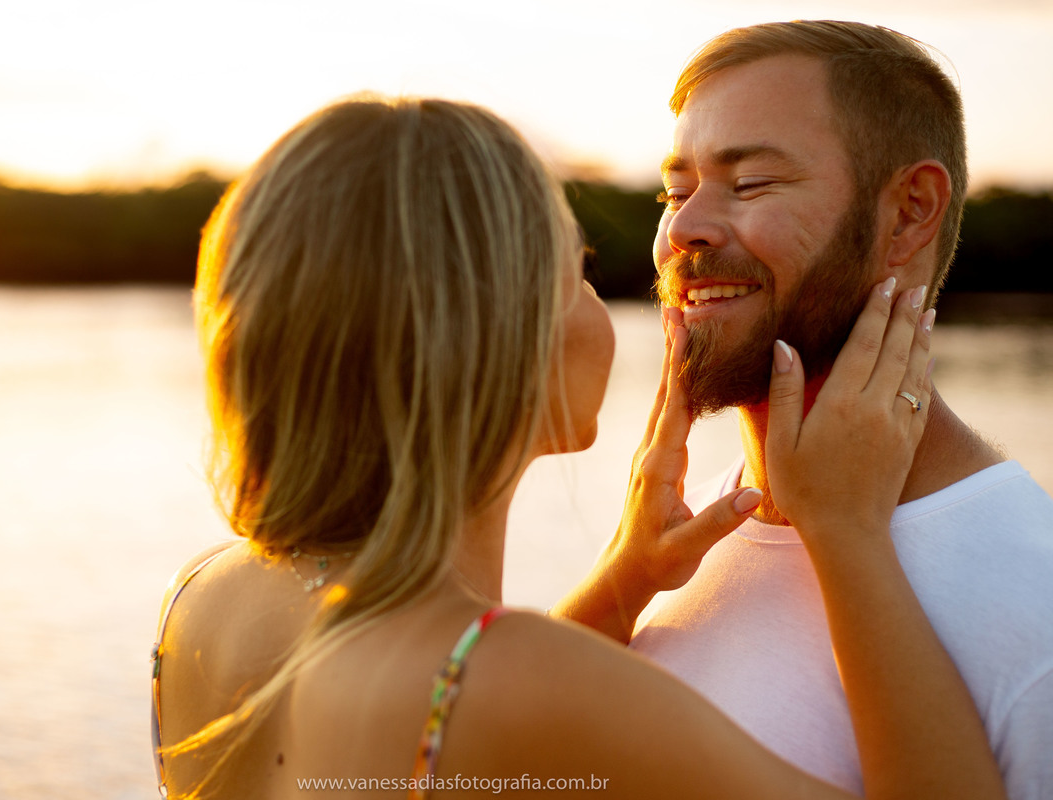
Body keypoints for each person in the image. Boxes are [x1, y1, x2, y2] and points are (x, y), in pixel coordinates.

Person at [149, 95, 1005, 800]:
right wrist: (850, 533)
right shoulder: (518, 679)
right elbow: (486, 700)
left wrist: (622, 585)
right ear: (500, 340)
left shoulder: (204, 597)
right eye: (577, 272)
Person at [558, 20, 1053, 800]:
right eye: (674, 193)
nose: (682, 229)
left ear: (910, 212)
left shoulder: (1034, 604)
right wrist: (622, 584)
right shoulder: (668, 547)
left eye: (750, 183)